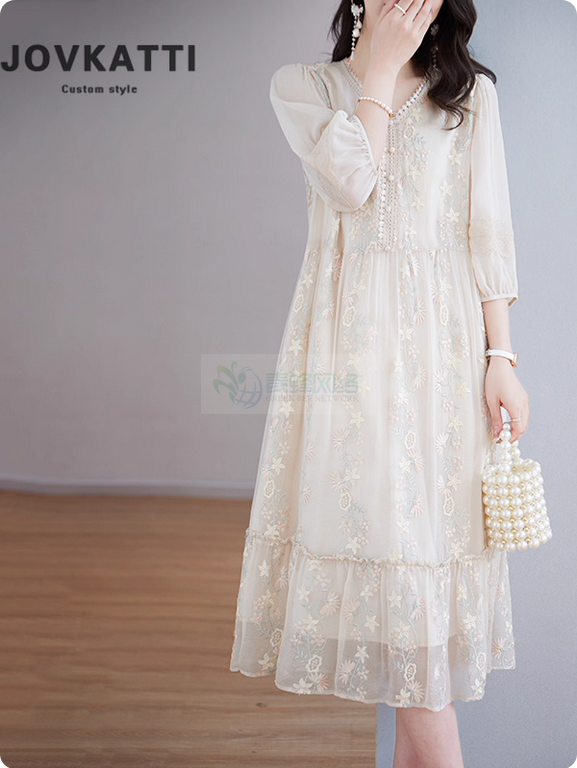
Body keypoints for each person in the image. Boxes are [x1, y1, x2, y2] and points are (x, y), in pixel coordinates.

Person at [230, 1, 530, 766]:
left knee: (423, 595)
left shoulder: (469, 96)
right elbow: (351, 185)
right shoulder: (303, 87)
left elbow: (486, 231)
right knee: (398, 604)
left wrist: (501, 359)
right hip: (346, 350)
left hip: (444, 360)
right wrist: (379, 71)